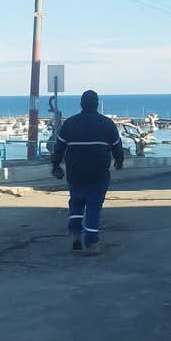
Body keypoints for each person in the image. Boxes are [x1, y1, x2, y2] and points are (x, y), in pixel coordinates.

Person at [51, 90, 125, 256]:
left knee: (76, 203)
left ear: (81, 104)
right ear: (97, 104)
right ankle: (91, 244)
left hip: (75, 172)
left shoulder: (70, 123)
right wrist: (119, 161)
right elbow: (116, 146)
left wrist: (55, 165)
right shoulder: (107, 123)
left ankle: (76, 236)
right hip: (98, 173)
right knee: (93, 206)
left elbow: (59, 147)